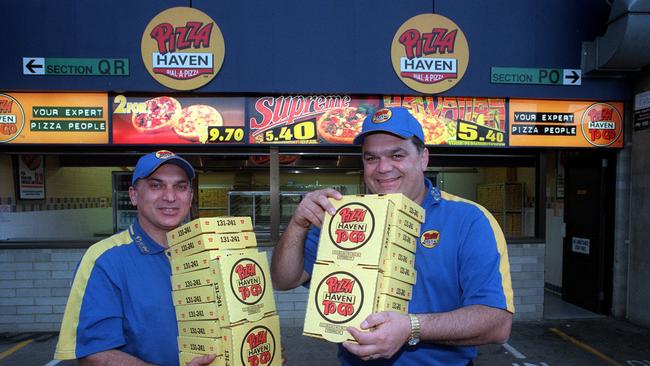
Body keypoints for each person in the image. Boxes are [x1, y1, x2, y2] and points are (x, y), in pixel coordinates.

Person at [271, 107, 514, 366]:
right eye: (371, 158)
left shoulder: (469, 219)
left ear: (423, 158)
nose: (383, 168)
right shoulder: (343, 216)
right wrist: (298, 224)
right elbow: (283, 280)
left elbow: (497, 324)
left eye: (397, 155)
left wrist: (412, 327)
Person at [54, 150, 216, 366]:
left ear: (191, 196)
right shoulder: (105, 259)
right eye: (156, 185)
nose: (170, 196)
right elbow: (93, 355)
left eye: (181, 186)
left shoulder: (209, 251)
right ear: (133, 195)